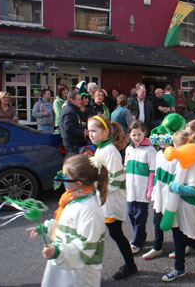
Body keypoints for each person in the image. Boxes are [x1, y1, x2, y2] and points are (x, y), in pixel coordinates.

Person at [26, 154, 108, 287]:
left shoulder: (90, 210)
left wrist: (58, 251)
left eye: (64, 177)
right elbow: (67, 225)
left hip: (78, 274)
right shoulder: (73, 199)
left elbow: (86, 247)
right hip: (64, 264)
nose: (60, 179)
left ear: (78, 183)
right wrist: (47, 228)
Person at [87, 114, 137, 280]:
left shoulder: (110, 151)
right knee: (114, 234)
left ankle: (130, 266)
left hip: (111, 201)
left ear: (106, 131)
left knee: (116, 234)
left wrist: (100, 192)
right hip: (105, 199)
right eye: (89, 131)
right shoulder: (101, 148)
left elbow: (116, 180)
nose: (91, 134)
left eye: (94, 130)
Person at [161, 130, 195, 282]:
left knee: (188, 237)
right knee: (177, 236)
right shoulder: (180, 160)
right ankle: (179, 269)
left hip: (188, 206)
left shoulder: (194, 165)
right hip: (177, 205)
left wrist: (175, 187)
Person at [142, 113, 187, 260]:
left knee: (176, 223)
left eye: (165, 136)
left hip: (172, 194)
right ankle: (157, 247)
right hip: (160, 193)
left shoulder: (179, 155)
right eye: (159, 135)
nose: (161, 139)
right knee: (157, 220)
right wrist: (154, 190)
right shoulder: (159, 153)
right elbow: (157, 174)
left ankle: (182, 246)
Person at [125, 121, 156, 254]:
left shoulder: (150, 150)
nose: (136, 137)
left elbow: (153, 172)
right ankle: (141, 237)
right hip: (130, 190)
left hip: (142, 189)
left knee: (140, 216)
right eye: (134, 134)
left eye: (139, 134)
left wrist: (150, 190)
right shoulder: (128, 149)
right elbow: (126, 167)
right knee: (131, 214)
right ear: (129, 135)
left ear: (145, 133)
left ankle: (137, 242)